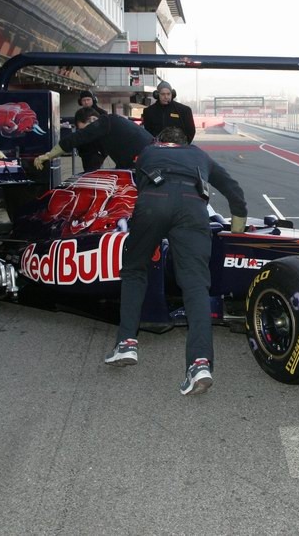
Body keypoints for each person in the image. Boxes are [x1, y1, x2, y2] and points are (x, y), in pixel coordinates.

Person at [99, 126, 247, 395]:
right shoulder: (200, 155)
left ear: (159, 141)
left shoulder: (148, 152)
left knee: (135, 270)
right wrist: (238, 226)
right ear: (185, 143)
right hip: (193, 207)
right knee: (195, 286)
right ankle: (200, 363)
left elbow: (135, 181)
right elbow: (232, 189)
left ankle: (126, 344)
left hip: (154, 202)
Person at [34, 107, 152, 171]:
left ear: (93, 120)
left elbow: (76, 138)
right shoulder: (109, 132)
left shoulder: (106, 122)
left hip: (149, 163)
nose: (87, 135)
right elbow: (92, 162)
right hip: (142, 162)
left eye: (86, 129)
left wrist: (48, 155)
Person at [76, 90, 108, 171]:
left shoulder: (102, 113)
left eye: (88, 100)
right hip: (85, 147)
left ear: (92, 100)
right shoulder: (79, 113)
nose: (86, 102)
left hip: (98, 148)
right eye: (84, 100)